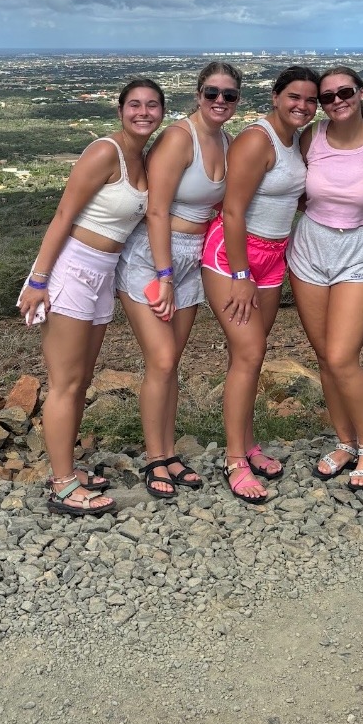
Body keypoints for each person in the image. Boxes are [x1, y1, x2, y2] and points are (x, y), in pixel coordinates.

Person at [18, 79, 166, 517]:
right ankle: (62, 485)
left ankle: (66, 470)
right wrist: (39, 279)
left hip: (103, 273)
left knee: (81, 380)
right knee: (65, 382)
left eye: (152, 105)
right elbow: (64, 214)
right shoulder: (106, 152)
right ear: (120, 111)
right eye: (134, 105)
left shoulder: (143, 158)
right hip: (72, 269)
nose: (143, 112)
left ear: (162, 112)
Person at [115, 62, 241, 499]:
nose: (220, 101)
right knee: (163, 360)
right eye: (212, 93)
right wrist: (164, 274)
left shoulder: (226, 141)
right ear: (198, 94)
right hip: (154, 257)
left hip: (193, 257)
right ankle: (154, 458)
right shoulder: (177, 138)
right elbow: (156, 210)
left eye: (228, 95)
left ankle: (168, 454)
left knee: (171, 364)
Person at [202, 66, 320, 504]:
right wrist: (240, 275)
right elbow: (233, 210)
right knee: (250, 352)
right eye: (294, 97)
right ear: (275, 96)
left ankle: (248, 444)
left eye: (310, 100)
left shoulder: (294, 141)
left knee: (249, 354)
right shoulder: (258, 139)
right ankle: (234, 460)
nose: (302, 106)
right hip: (234, 255)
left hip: (274, 254)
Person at [288, 67, 363, 491]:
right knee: (324, 357)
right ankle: (344, 441)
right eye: (327, 96)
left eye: (345, 92)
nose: (337, 100)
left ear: (361, 93)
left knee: (341, 357)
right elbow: (296, 190)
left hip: (359, 250)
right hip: (311, 247)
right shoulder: (311, 137)